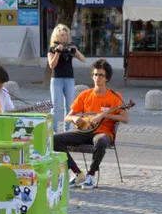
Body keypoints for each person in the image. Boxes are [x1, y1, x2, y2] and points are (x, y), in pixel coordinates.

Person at [53, 60, 128, 189]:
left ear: (107, 78)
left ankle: (91, 175)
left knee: (101, 142)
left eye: (101, 75)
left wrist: (104, 115)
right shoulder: (85, 95)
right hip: (83, 131)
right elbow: (67, 117)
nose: (97, 78)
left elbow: (125, 118)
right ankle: (77, 173)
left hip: (103, 133)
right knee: (54, 140)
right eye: (95, 74)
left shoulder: (115, 97)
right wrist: (75, 119)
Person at [47, 24, 87, 131]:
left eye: (65, 35)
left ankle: (67, 129)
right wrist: (57, 53)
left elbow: (83, 59)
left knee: (70, 106)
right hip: (56, 80)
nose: (63, 37)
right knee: (56, 106)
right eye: (61, 35)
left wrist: (76, 51)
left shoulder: (70, 48)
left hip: (69, 79)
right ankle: (54, 131)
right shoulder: (52, 49)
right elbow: (52, 65)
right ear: (56, 36)